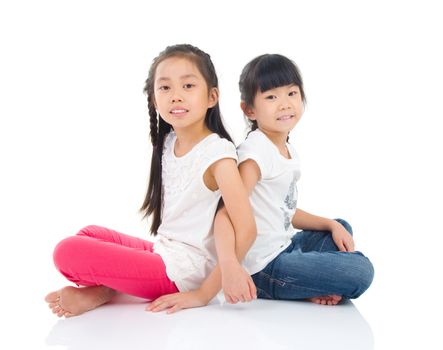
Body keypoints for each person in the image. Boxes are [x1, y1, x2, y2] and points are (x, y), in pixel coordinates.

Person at [45, 44, 256, 317]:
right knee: (89, 233)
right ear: (155, 99)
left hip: (185, 272)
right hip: (166, 252)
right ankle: (110, 288)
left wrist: (203, 294)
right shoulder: (168, 143)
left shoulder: (217, 154)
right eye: (165, 88)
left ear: (211, 97)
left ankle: (109, 288)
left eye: (188, 86)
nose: (176, 97)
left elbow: (247, 229)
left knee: (67, 251)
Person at [214, 54, 374, 306]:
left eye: (291, 93)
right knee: (361, 271)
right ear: (249, 110)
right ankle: (291, 285)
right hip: (264, 267)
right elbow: (225, 212)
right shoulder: (255, 154)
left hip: (284, 245)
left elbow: (283, 210)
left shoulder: (285, 149)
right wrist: (230, 266)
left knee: (340, 227)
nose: (285, 104)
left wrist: (330, 224)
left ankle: (305, 283)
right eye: (271, 97)